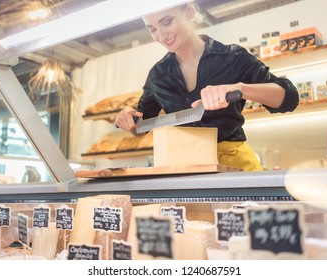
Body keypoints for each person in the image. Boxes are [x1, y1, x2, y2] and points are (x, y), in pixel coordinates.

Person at [115, 2, 298, 171]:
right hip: (185, 169)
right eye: (152, 29)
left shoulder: (232, 57)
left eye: (167, 22)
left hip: (235, 165)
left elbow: (289, 98)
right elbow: (141, 127)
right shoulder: (157, 75)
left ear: (189, 11)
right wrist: (128, 118)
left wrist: (240, 89)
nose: (161, 36)